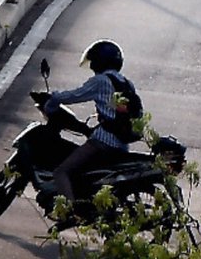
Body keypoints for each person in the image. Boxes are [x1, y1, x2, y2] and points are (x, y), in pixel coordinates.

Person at [39, 38, 142, 214]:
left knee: (61, 172)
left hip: (104, 141)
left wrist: (53, 99)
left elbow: (75, 95)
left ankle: (71, 211)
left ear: (99, 62)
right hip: (122, 143)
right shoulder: (126, 83)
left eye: (93, 61)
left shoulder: (101, 81)